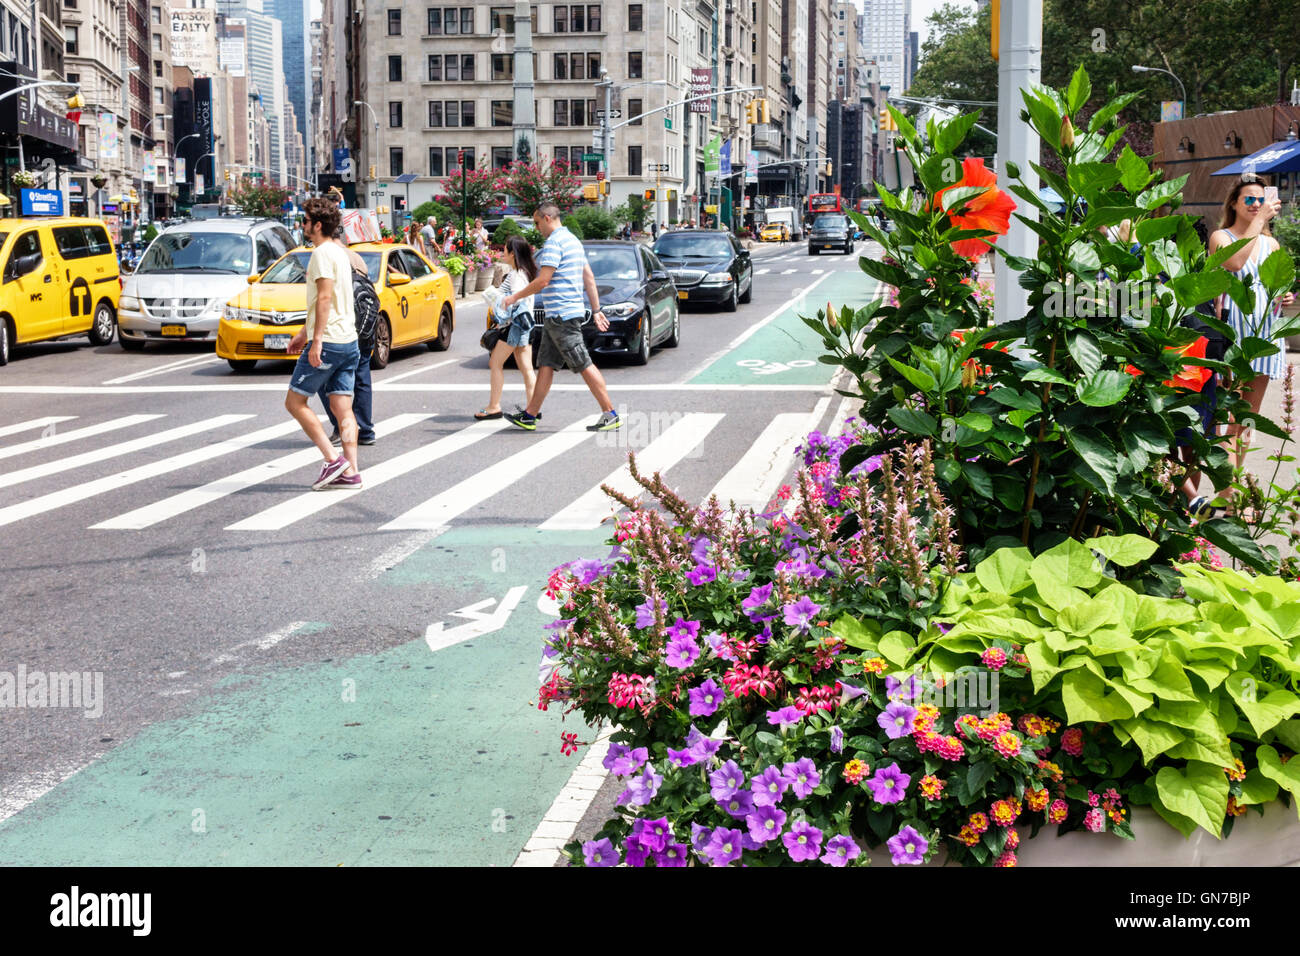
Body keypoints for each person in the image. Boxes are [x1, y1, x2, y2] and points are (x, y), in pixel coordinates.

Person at [1207, 175, 1296, 493]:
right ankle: (1228, 490)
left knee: (1248, 416)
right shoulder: (1222, 237)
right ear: (1234, 202)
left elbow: (1274, 285)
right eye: (1249, 199)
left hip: (1264, 334)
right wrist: (1258, 222)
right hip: (1233, 335)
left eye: (1261, 199)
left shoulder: (1271, 243)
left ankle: (1231, 484)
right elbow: (1234, 263)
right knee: (1230, 413)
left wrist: (1285, 296)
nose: (1257, 205)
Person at [502, 202, 620, 432]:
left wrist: (514, 296)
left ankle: (610, 413)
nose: (536, 228)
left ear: (547, 218)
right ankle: (530, 415)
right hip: (561, 315)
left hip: (562, 316)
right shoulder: (573, 241)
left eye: (537, 222)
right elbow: (589, 278)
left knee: (584, 364)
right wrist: (596, 311)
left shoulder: (554, 243)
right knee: (546, 364)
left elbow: (543, 280)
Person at [285, 197, 362, 489]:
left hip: (329, 340)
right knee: (343, 408)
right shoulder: (340, 252)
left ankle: (333, 460)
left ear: (317, 225)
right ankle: (352, 471)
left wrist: (315, 341)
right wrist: (304, 334)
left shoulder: (320, 254)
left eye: (304, 221)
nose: (302, 225)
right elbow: (328, 299)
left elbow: (326, 298)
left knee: (295, 402)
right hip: (348, 341)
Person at [319, 226, 377, 447]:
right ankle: (364, 429)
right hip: (364, 325)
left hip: (340, 328)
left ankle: (341, 425)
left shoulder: (327, 257)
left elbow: (325, 297)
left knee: (323, 379)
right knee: (362, 378)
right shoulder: (357, 259)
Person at [476, 237, 539, 420]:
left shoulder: (516, 275)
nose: (502, 253)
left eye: (504, 250)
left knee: (495, 363)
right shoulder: (524, 272)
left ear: (513, 253)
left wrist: (503, 308)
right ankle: (532, 408)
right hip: (525, 324)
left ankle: (494, 406)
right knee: (526, 367)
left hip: (514, 326)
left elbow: (517, 300)